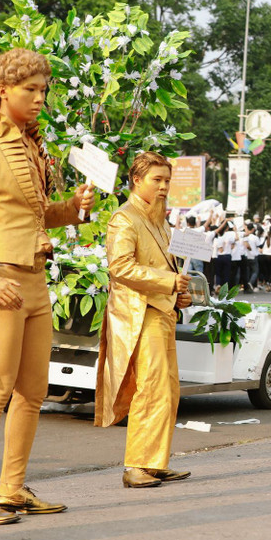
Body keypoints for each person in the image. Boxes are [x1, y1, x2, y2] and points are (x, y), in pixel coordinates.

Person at [0, 48, 94, 525]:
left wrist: (73, 208)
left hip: (35, 281)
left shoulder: (32, 149)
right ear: (2, 89)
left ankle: (11, 489)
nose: (39, 98)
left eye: (43, 90)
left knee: (33, 392)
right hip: (3, 282)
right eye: (29, 89)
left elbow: (36, 215)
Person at [95, 152, 193, 488]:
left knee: (168, 390)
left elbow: (166, 271)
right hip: (140, 314)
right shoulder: (124, 218)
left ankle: (155, 462)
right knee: (150, 389)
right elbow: (120, 268)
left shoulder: (160, 221)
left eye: (167, 180)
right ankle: (136, 465)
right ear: (137, 180)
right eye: (157, 180)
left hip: (162, 311)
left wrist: (178, 293)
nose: (164, 187)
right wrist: (168, 282)